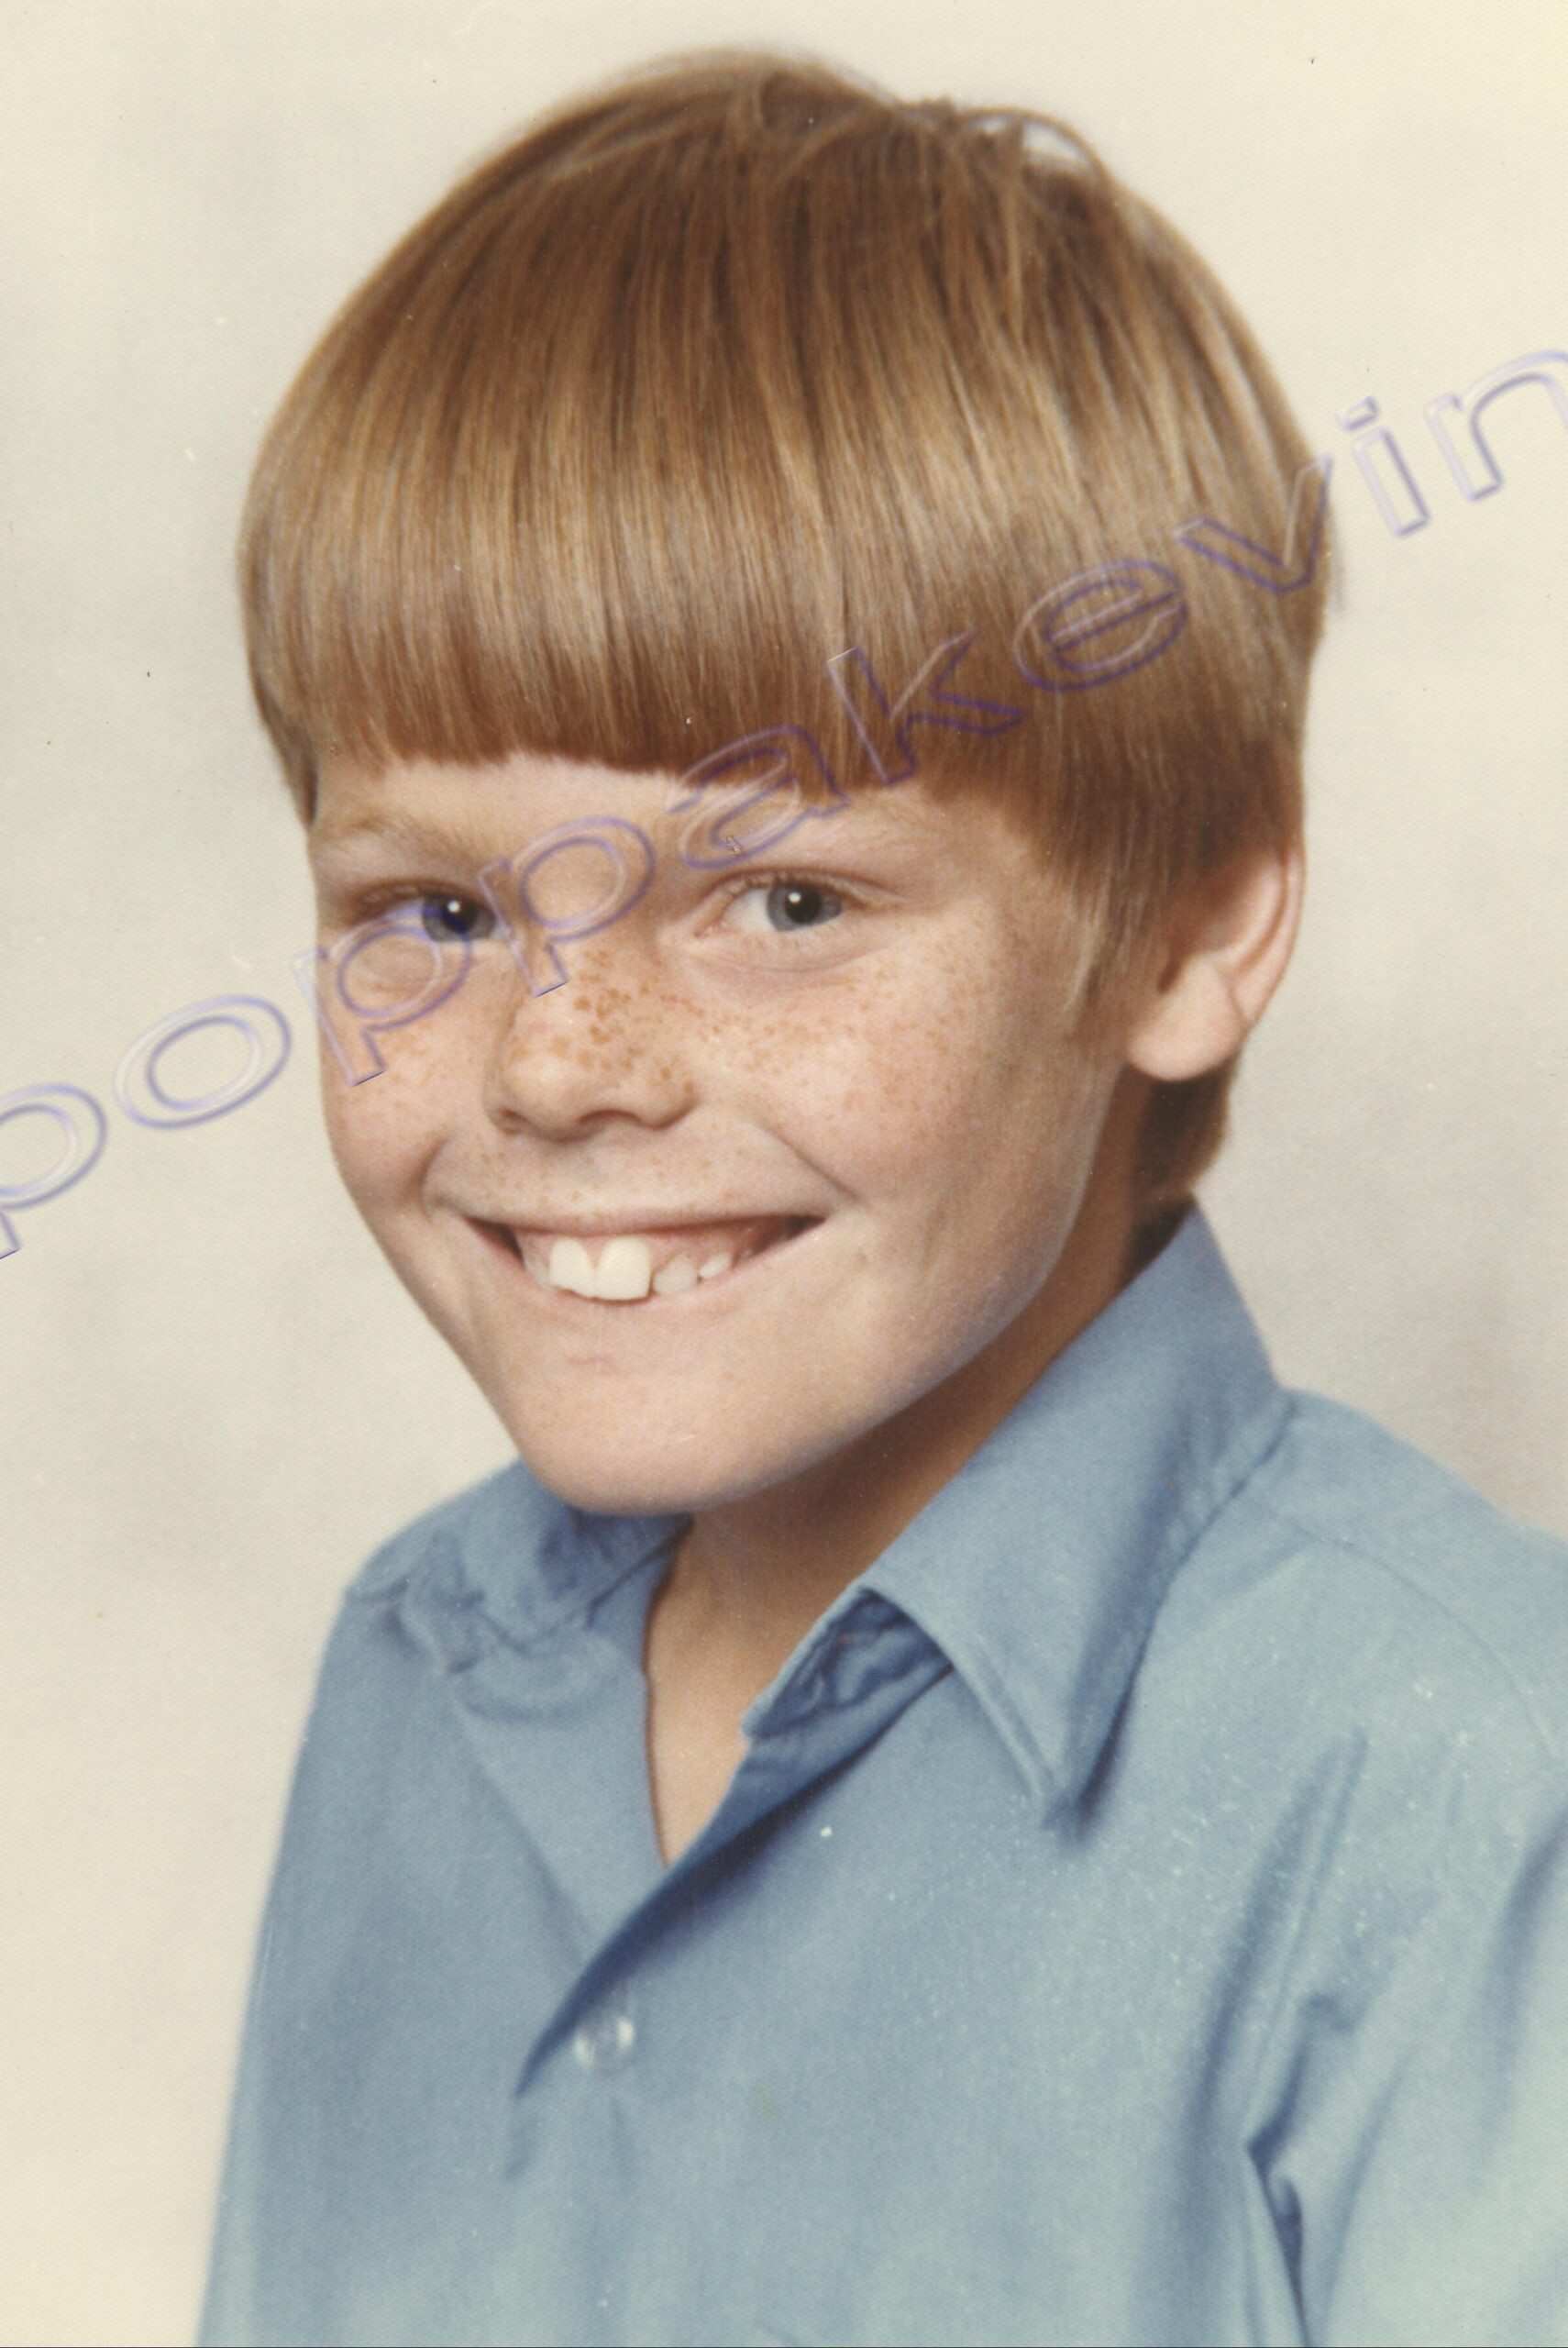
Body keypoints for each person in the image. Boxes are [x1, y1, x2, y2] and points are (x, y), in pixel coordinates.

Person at [200, 50, 1568, 2348]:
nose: (558, 1060)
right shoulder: (414, 1668)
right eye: (434, 911)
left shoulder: (1464, 1789)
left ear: (1188, 928)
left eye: (790, 901)